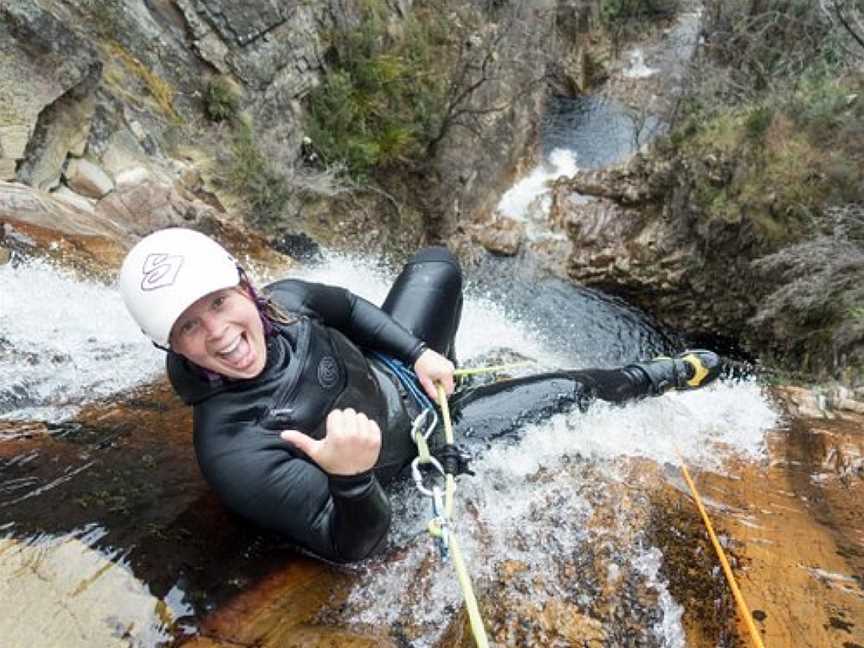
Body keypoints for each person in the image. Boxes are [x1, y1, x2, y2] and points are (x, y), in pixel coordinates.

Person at [118, 228, 721, 563]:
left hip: (399, 377)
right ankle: (664, 374)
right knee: (571, 388)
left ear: (244, 288)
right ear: (170, 347)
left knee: (436, 263)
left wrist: (418, 353)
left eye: (219, 303)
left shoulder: (289, 300)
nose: (218, 334)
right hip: (417, 451)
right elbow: (350, 543)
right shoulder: (233, 448)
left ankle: (444, 369)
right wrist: (351, 479)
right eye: (188, 328)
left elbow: (350, 309)